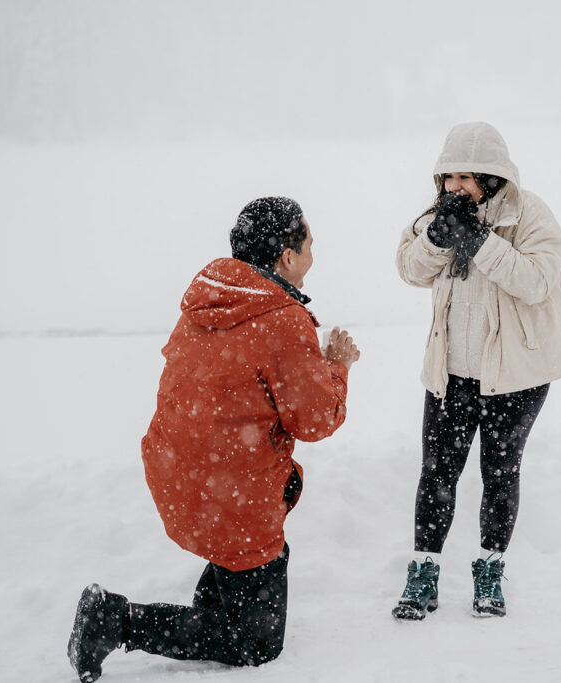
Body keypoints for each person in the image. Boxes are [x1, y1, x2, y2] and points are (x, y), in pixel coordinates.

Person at [68, 197, 360, 682]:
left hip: (181, 479)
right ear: (287, 257)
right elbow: (315, 421)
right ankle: (114, 620)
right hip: (233, 499)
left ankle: (224, 597)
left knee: (242, 561)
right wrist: (338, 366)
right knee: (255, 645)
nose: (313, 251)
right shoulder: (282, 320)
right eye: (309, 242)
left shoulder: (211, 298)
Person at [392, 122, 561, 620]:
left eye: (466, 178)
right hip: (451, 374)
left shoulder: (531, 216)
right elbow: (409, 268)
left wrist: (478, 240)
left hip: (515, 378)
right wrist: (437, 237)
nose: (455, 188)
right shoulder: (439, 214)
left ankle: (490, 570)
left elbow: (537, 281)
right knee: (436, 472)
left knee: (499, 472)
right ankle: (424, 571)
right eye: (448, 177)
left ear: (492, 178)